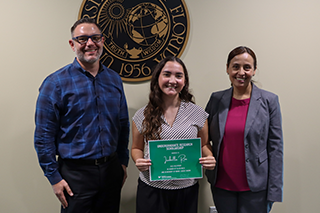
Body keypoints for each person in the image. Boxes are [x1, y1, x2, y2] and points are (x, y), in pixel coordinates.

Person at [34, 17, 130, 213]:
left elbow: (123, 125)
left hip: (111, 170)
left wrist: (122, 162)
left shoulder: (114, 80)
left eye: (95, 38)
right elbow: (43, 137)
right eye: (82, 39)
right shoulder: (55, 84)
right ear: (72, 44)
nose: (90, 44)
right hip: (75, 175)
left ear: (102, 41)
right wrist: (54, 178)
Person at [131, 56, 216, 213]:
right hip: (152, 188)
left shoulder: (197, 113)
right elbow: (136, 148)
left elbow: (204, 144)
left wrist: (209, 157)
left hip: (186, 190)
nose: (172, 80)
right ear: (158, 78)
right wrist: (139, 160)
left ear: (184, 81)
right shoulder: (141, 114)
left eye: (178, 75)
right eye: (167, 74)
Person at [205, 46, 283, 213]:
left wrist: (274, 190)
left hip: (256, 187)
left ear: (254, 70)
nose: (241, 72)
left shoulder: (269, 101)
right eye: (235, 66)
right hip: (221, 185)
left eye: (247, 67)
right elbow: (204, 138)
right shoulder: (216, 99)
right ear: (227, 68)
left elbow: (276, 148)